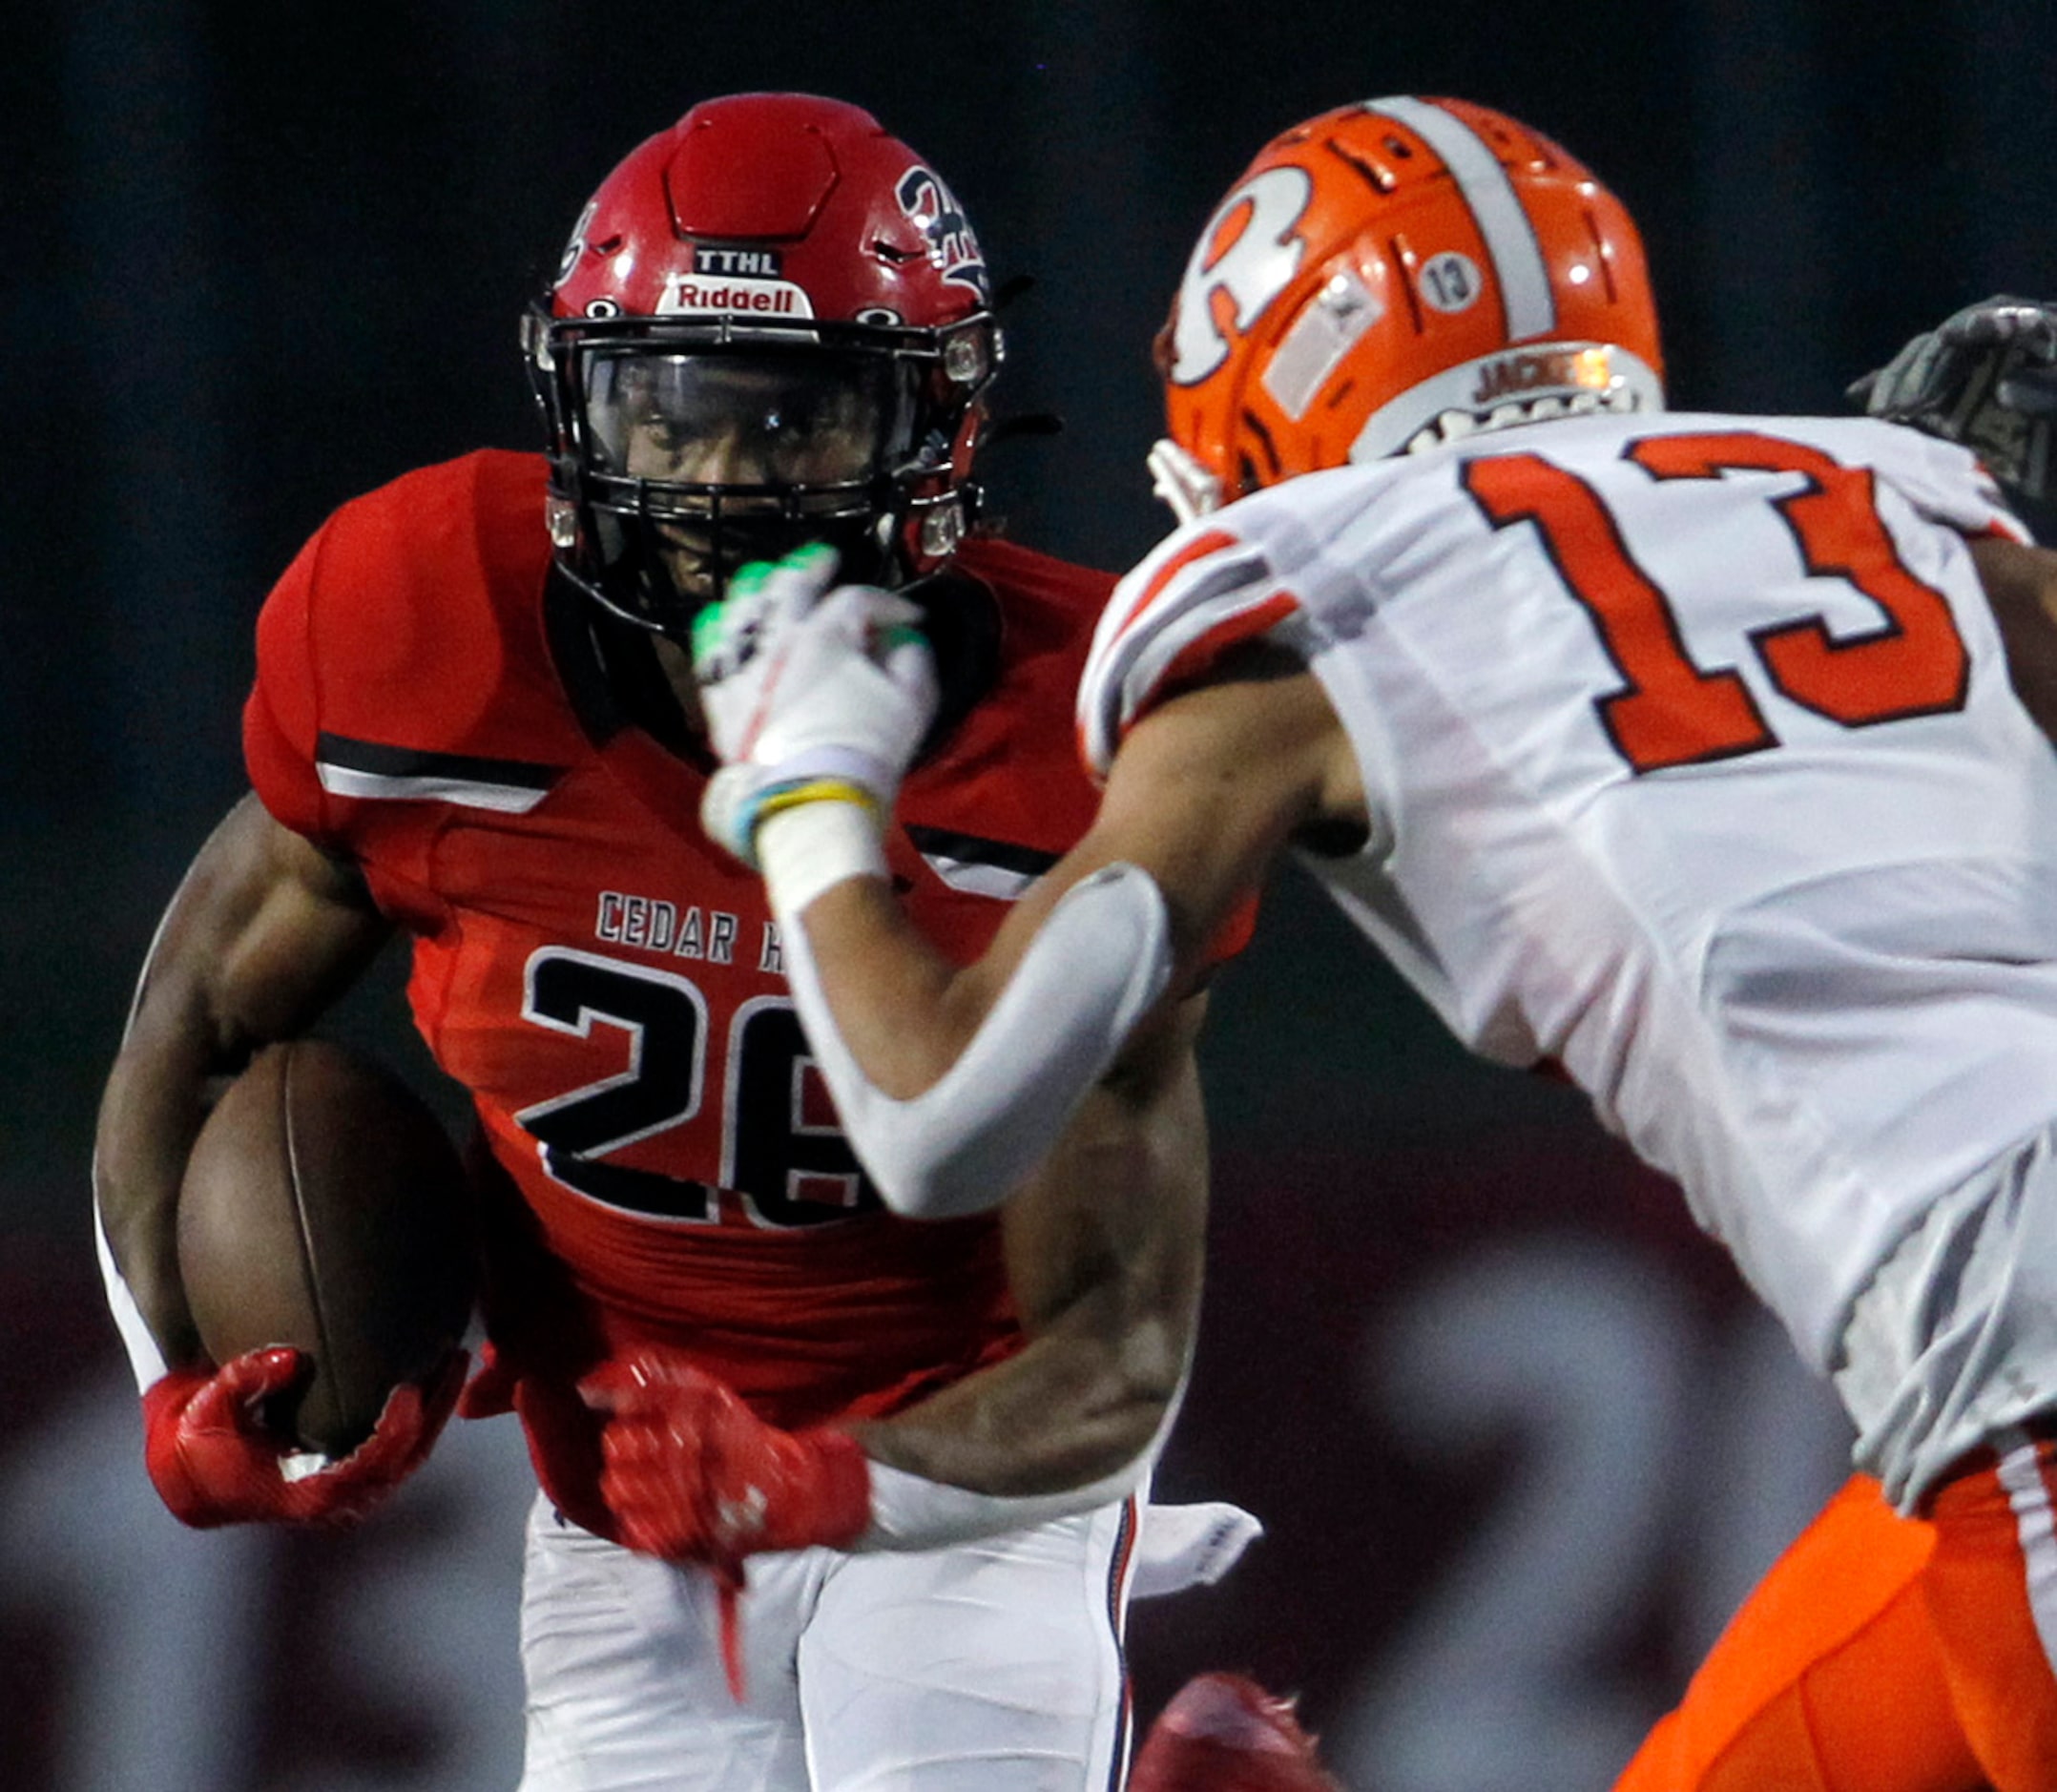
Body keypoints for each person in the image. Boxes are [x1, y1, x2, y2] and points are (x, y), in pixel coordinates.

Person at [685, 95, 2057, 1792]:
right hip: (1985, 1420)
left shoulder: (1314, 589)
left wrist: (807, 789)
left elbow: (942, 1114)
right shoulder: (1904, 494)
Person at [92, 92, 1256, 1792]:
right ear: (574, 401)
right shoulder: (422, 628)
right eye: (672, 414)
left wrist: (839, 1480)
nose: (719, 482)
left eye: (788, 424)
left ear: (940, 433)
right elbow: (194, 1014)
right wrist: (167, 1375)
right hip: (621, 1484)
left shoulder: (1081, 748)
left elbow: (1117, 1341)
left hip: (950, 1464)